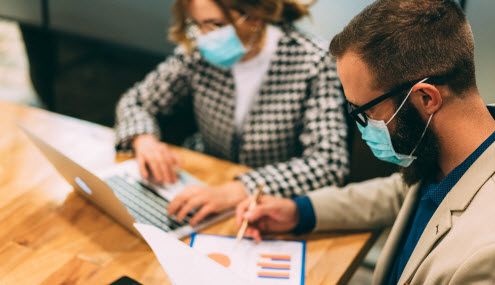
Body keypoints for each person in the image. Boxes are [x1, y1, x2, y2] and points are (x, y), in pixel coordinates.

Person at [236, 0, 495, 284]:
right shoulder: (457, 153)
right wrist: (297, 211)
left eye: (365, 112)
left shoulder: (487, 252)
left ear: (426, 98)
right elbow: (397, 194)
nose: (363, 126)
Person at [114, 0, 349, 225]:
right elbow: (135, 101)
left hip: (270, 203)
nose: (204, 35)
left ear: (255, 16)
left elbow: (329, 163)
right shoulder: (198, 51)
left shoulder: (313, 61)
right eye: (196, 23)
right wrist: (144, 140)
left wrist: (241, 189)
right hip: (200, 182)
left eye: (215, 24)